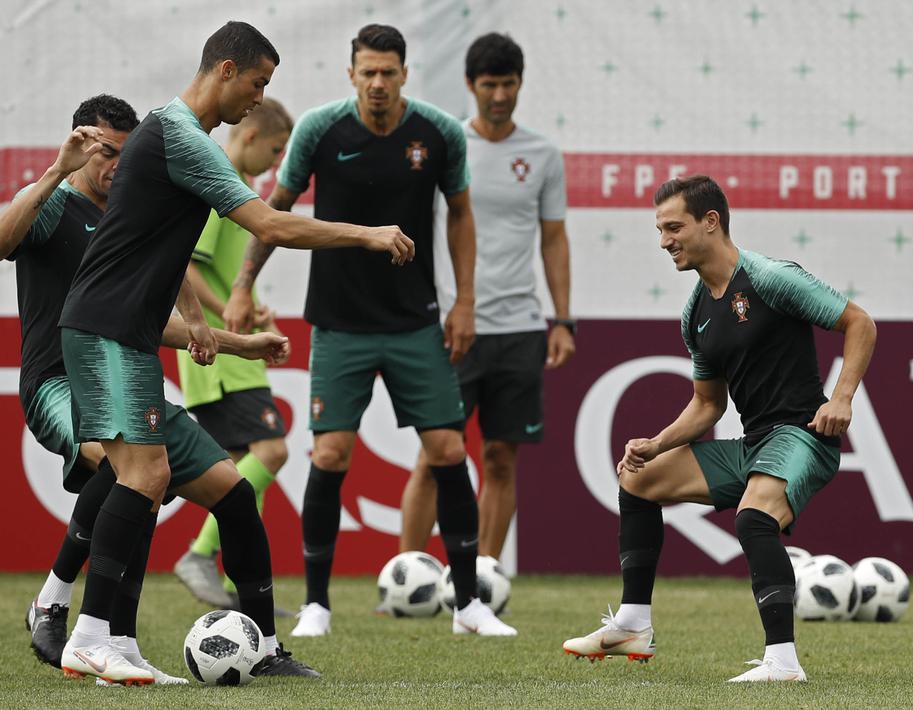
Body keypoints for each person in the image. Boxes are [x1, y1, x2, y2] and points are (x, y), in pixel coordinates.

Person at [53, 21, 412, 683]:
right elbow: (269, 223)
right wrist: (366, 234)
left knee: (218, 490)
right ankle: (88, 633)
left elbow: (157, 244)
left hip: (127, 332)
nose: (259, 97)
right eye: (257, 82)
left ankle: (236, 646)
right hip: (107, 329)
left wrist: (195, 319)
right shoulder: (182, 137)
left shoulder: (174, 134)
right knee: (143, 477)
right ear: (225, 70)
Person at [0, 97, 313, 684]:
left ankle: (263, 648)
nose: (117, 167)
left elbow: (155, 307)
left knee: (233, 494)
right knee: (132, 470)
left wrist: (236, 343)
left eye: (126, 154)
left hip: (127, 375)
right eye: (106, 153)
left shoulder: (130, 216)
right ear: (80, 145)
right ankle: (59, 602)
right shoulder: (55, 204)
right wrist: (56, 170)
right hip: (57, 384)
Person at [222, 23, 514, 638]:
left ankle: (467, 605)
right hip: (339, 324)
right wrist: (244, 285)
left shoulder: (438, 133)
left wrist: (465, 302)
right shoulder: (319, 129)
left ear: (405, 74)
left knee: (448, 450)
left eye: (388, 72)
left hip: (415, 323)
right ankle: (317, 606)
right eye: (368, 72)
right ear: (351, 75)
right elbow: (276, 211)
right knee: (330, 454)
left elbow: (461, 215)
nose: (378, 83)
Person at [561, 176, 877, 682]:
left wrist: (841, 399)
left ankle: (783, 663)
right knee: (638, 480)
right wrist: (656, 444)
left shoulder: (771, 277)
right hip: (754, 445)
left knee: (754, 517)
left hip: (802, 437)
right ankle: (633, 625)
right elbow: (708, 405)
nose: (664, 241)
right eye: (660, 230)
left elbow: (860, 323)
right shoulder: (695, 313)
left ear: (711, 222)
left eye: (673, 228)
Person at [398, 32, 574, 563]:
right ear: (470, 84)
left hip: (519, 328)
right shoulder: (444, 143)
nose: (500, 96)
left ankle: (487, 579)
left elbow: (553, 238)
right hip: (453, 328)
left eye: (509, 84)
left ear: (520, 84)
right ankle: (404, 579)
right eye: (490, 85)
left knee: (499, 458)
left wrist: (563, 320)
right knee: (436, 457)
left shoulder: (543, 154)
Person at [173, 98, 296, 610]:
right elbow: (186, 265)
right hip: (220, 356)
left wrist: (253, 312)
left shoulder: (236, 189)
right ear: (249, 136)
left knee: (244, 471)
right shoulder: (218, 185)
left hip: (230, 351)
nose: (276, 162)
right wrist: (230, 312)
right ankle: (199, 555)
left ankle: (245, 590)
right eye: (275, 150)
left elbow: (226, 277)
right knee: (272, 452)